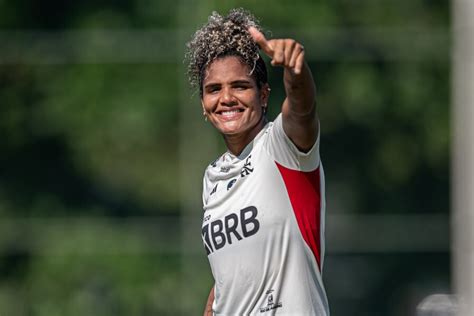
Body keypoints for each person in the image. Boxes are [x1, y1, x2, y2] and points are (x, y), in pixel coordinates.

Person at [185, 8, 329, 315]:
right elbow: (231, 276)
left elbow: (302, 109)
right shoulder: (213, 177)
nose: (226, 98)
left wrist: (295, 70)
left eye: (239, 86)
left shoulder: (282, 147)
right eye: (214, 89)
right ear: (203, 105)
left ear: (264, 95)